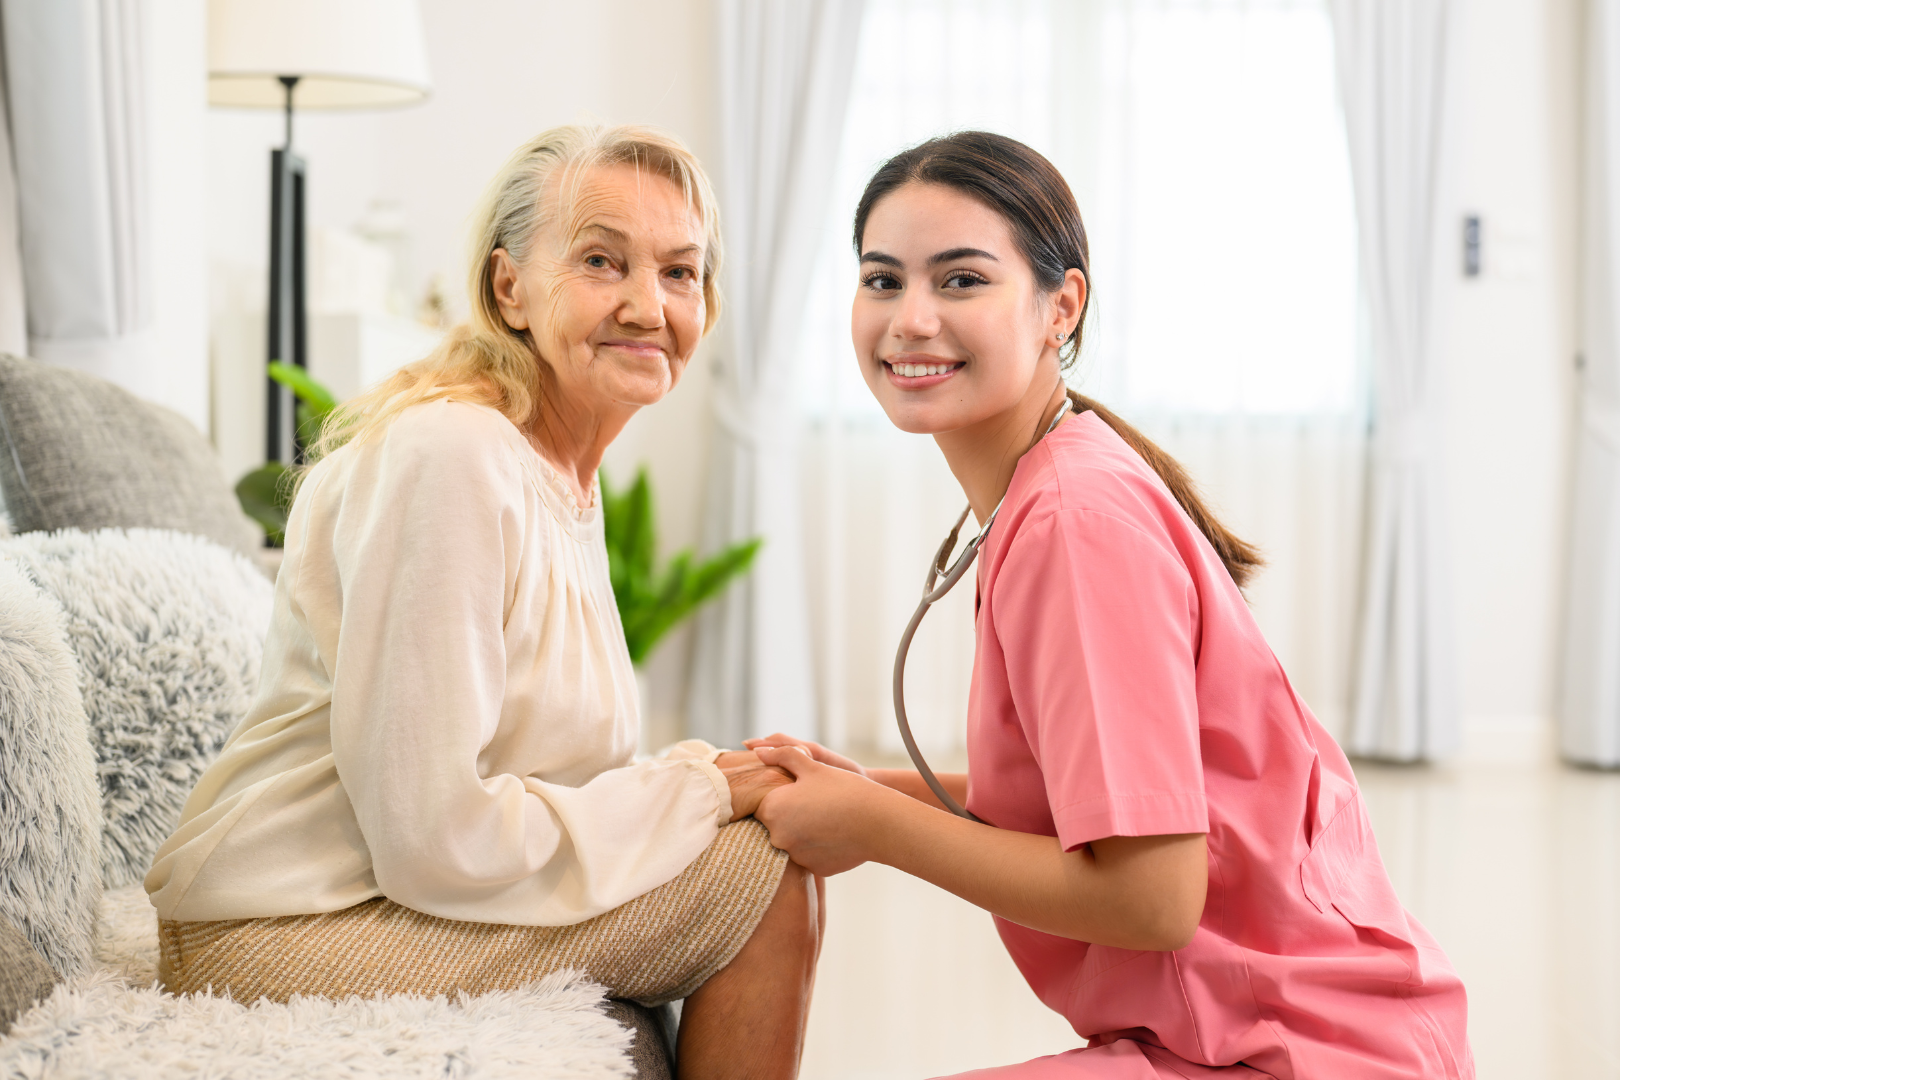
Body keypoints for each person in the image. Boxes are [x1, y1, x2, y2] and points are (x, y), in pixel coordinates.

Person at [747, 132, 1473, 1079]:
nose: (910, 318)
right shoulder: (1051, 488)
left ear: (1062, 306)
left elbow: (1150, 897)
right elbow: (1086, 807)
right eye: (882, 280)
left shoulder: (1073, 522)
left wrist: (875, 829)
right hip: (1263, 1033)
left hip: (1303, 1053)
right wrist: (857, 789)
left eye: (961, 281)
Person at [146, 124, 819, 1080]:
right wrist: (698, 792)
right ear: (510, 287)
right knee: (762, 879)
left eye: (681, 271)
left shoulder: (555, 472)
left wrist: (698, 773)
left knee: (753, 840)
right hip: (280, 928)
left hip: (380, 896)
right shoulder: (454, 457)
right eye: (601, 260)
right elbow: (432, 835)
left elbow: (541, 764)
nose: (648, 303)